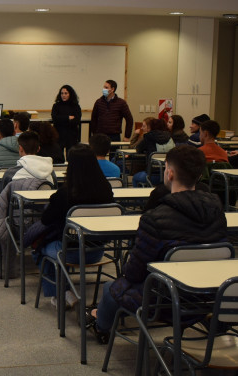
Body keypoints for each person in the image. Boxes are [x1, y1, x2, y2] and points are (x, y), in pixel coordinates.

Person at [92, 145, 227, 341]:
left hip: (162, 300)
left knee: (109, 288)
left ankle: (101, 327)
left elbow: (134, 272)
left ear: (170, 173)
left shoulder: (155, 218)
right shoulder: (218, 212)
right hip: (206, 296)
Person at [28, 145, 114, 308]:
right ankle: (64, 292)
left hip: (70, 252)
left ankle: (62, 293)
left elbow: (46, 220)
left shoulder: (64, 194)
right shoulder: (106, 190)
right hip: (98, 250)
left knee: (38, 247)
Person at [0, 132, 54, 275]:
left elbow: (2, 200)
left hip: (18, 224)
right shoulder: (51, 173)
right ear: (38, 149)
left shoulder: (12, 173)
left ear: (20, 149)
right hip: (43, 223)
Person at [131, 118, 173, 187]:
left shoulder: (148, 137)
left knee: (135, 178)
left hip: (152, 174)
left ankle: (141, 197)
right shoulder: (170, 137)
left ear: (151, 127)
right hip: (168, 174)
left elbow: (138, 149)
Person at [51, 84, 82, 154]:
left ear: (70, 94)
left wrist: (61, 119)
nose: (63, 95)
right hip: (59, 135)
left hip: (71, 135)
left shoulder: (75, 106)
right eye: (62, 93)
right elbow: (55, 119)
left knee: (71, 156)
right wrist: (68, 118)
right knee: (58, 156)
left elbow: (76, 120)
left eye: (66, 93)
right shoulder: (56, 105)